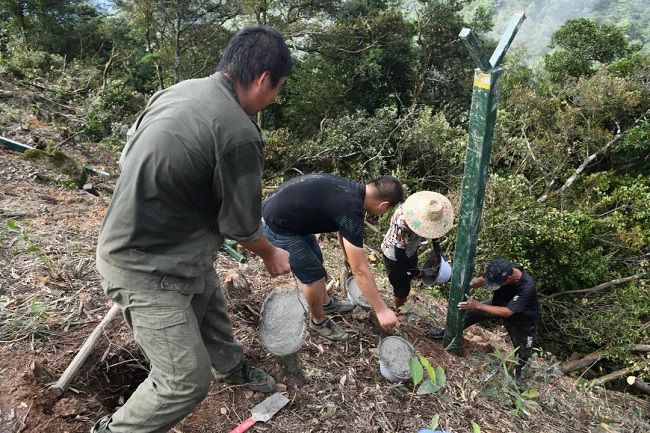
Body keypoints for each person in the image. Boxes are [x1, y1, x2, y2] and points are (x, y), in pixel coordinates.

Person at [91, 26, 292, 433]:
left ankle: (231, 367)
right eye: (277, 89)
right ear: (262, 79)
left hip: (168, 242)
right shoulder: (238, 132)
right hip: (145, 268)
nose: (274, 99)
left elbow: (130, 154)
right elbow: (241, 225)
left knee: (208, 301)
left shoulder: (179, 90)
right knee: (184, 381)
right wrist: (271, 253)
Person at [262, 173, 404, 341]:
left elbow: (343, 233)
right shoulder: (351, 210)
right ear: (383, 205)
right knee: (313, 276)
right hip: (277, 225)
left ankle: (326, 304)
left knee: (317, 260)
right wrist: (382, 310)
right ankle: (318, 321)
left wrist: (346, 257)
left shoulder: (351, 189)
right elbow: (360, 270)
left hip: (287, 217)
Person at [431, 259, 540, 382]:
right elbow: (481, 280)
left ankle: (519, 370)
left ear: (509, 279)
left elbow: (508, 312)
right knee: (471, 314)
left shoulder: (527, 286)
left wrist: (478, 305)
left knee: (524, 348)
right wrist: (467, 283)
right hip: (499, 303)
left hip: (522, 318)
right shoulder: (500, 269)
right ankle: (447, 332)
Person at [381, 191, 454, 312]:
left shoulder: (431, 210)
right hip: (394, 254)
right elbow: (399, 253)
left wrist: (439, 253)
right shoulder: (403, 220)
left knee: (407, 279)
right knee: (402, 289)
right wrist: (413, 271)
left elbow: (435, 233)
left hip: (410, 250)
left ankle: (403, 295)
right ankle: (399, 312)